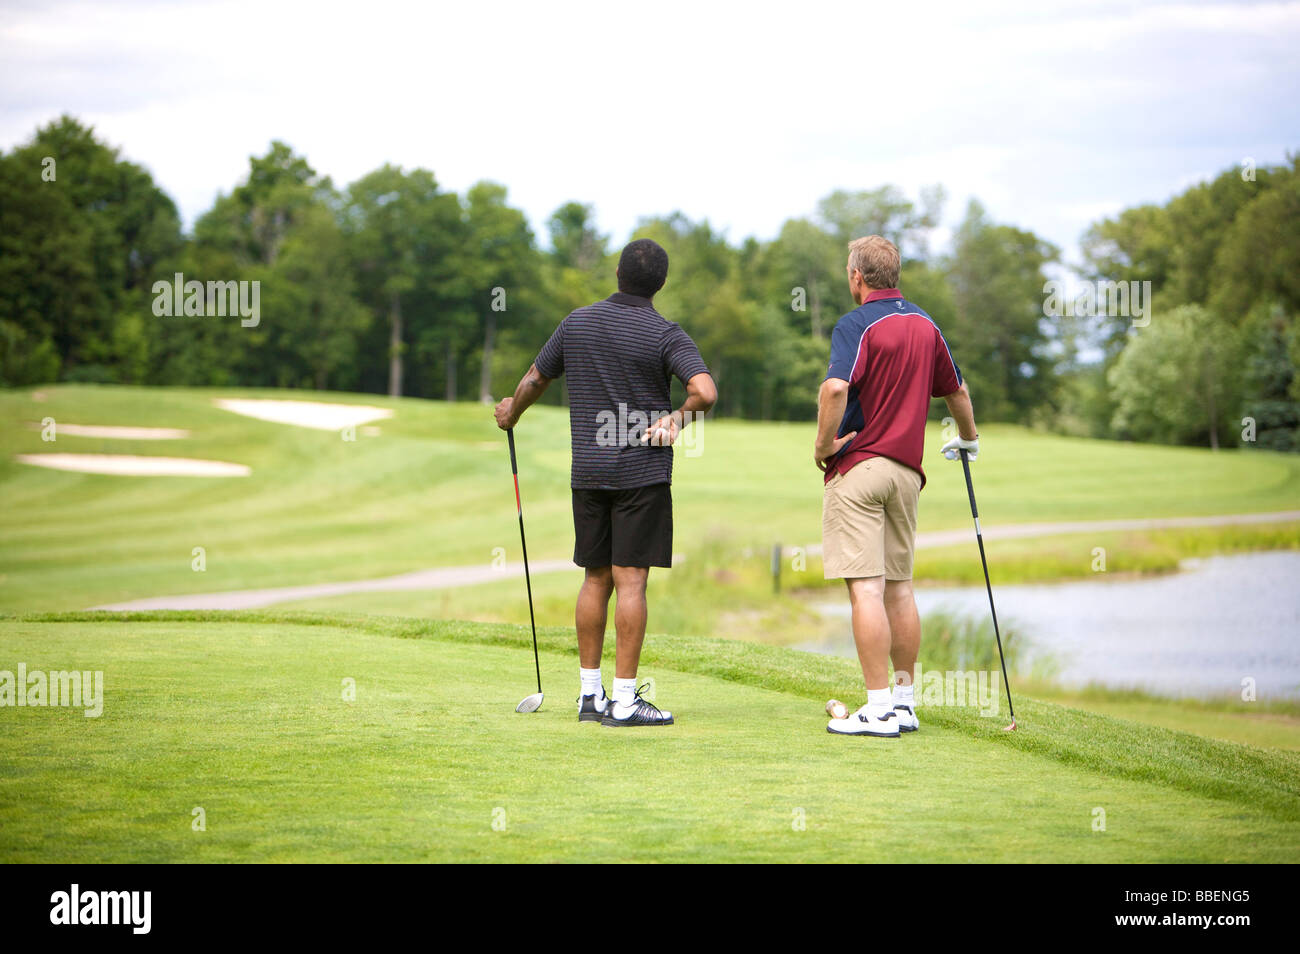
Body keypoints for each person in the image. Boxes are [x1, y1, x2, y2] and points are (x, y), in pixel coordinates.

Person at [494, 238, 716, 727]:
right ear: (660, 283)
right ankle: (624, 700)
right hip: (642, 474)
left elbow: (535, 378)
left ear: (617, 274)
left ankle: (589, 697)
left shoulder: (577, 322)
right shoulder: (665, 332)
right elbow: (704, 391)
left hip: (589, 471)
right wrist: (677, 420)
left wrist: (512, 411)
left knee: (595, 577)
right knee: (630, 580)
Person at [814, 235, 980, 737]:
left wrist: (823, 446)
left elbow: (835, 387)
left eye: (849, 272)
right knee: (900, 589)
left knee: (865, 588)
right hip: (908, 475)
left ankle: (878, 707)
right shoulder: (926, 324)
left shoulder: (856, 323)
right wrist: (968, 440)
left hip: (860, 468)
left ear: (857, 277)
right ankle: (904, 704)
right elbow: (955, 390)